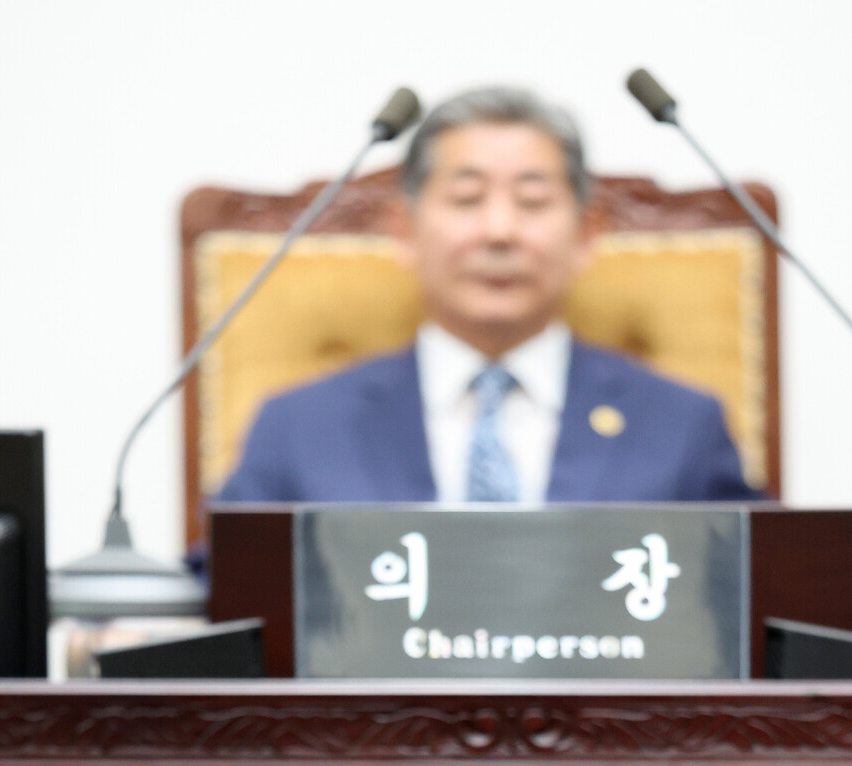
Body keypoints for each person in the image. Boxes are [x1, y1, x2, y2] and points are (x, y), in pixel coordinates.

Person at [218, 87, 758, 508]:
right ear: (404, 229)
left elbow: (761, 582)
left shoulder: (682, 425)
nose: (500, 231)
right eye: (467, 198)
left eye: (533, 200)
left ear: (586, 233)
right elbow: (222, 586)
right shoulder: (298, 427)